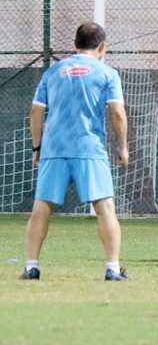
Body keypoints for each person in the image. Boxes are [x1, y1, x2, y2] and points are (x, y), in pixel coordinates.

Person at [19, 23, 129, 281]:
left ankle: (31, 267)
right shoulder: (107, 73)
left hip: (54, 149)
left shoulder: (53, 72)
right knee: (105, 208)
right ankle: (112, 270)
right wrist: (123, 146)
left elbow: (36, 111)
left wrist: (38, 146)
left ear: (75, 43)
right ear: (102, 46)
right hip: (88, 149)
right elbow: (116, 112)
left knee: (41, 208)